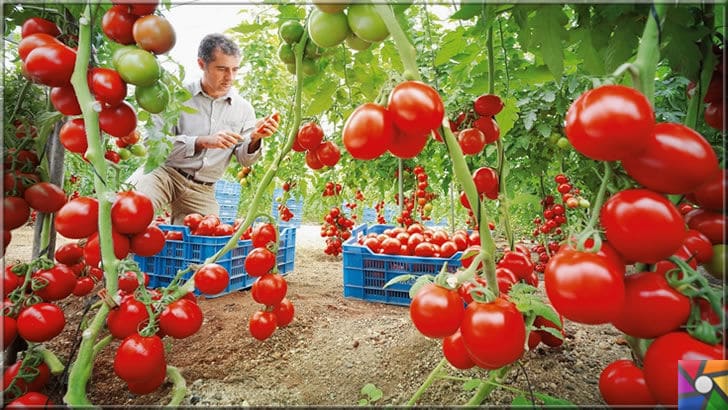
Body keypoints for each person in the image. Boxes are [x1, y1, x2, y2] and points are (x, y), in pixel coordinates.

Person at [127, 33, 279, 225]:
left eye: (234, 70)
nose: (229, 77)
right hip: (164, 174)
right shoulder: (176, 96)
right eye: (222, 69)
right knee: (132, 210)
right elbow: (153, 144)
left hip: (203, 188)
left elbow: (244, 158)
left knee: (204, 241)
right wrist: (202, 141)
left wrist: (255, 138)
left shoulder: (243, 109)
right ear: (201, 64)